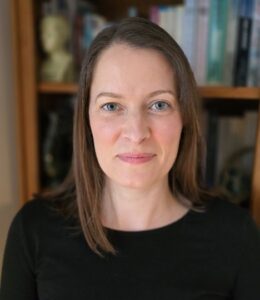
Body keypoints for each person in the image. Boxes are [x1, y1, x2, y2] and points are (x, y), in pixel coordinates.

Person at [1, 17, 260, 300]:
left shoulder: (236, 236)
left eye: (159, 104)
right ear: (86, 119)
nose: (136, 133)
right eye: (112, 106)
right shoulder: (33, 230)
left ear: (185, 116)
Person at [40, 15, 75, 82]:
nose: (43, 38)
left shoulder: (68, 62)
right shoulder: (45, 64)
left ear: (62, 35)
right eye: (42, 33)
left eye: (49, 34)